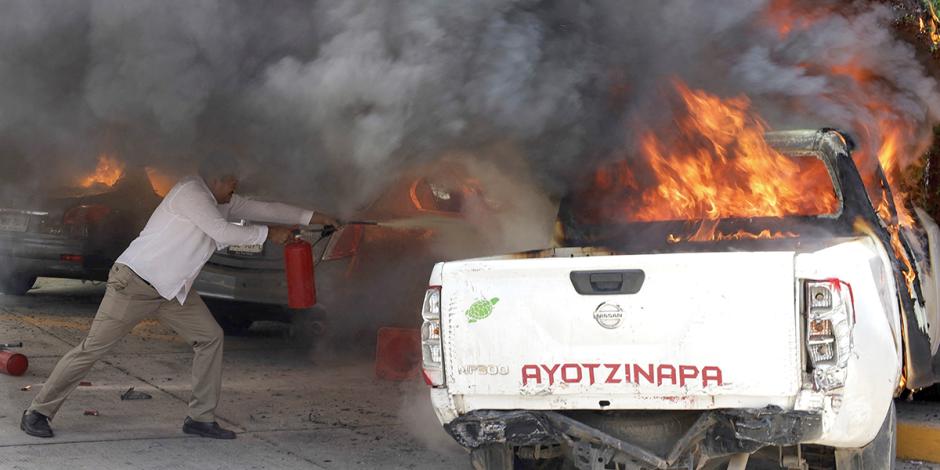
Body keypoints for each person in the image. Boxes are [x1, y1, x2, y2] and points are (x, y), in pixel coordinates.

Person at [20, 164, 339, 439]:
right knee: (93, 349)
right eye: (231, 182)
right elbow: (223, 232)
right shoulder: (192, 193)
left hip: (170, 289)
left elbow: (265, 208)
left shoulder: (222, 200)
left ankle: (200, 419)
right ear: (215, 178)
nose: (235, 188)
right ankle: (37, 412)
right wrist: (268, 234)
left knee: (210, 338)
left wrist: (315, 216)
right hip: (135, 283)